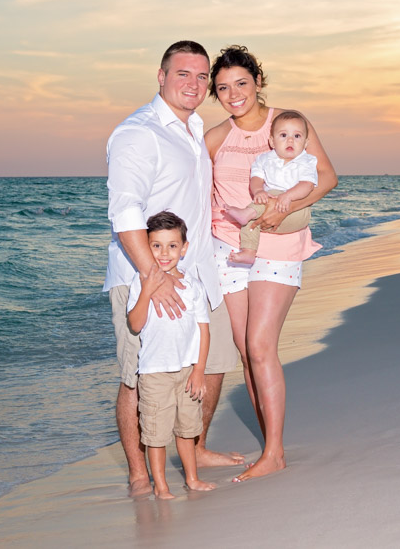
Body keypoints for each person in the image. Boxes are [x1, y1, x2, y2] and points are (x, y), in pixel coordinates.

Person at [105, 41, 243, 496]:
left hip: (200, 273)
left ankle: (195, 447)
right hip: (147, 277)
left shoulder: (194, 129)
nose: (194, 83)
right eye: (183, 73)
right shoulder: (137, 133)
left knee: (213, 363)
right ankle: (139, 471)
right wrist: (153, 276)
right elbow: (125, 213)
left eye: (202, 77)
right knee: (140, 376)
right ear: (161, 76)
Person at [204, 45, 338, 482]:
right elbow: (201, 195)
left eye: (241, 83)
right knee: (247, 352)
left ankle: (275, 452)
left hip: (279, 248)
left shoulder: (289, 125)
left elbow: (327, 177)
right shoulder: (216, 138)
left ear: (258, 82)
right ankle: (269, 442)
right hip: (228, 250)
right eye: (222, 88)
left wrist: (283, 210)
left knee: (261, 347)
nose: (233, 94)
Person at [127, 211, 218, 499]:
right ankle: (161, 486)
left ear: (184, 248)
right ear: (146, 246)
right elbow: (135, 323)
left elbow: (204, 331)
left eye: (172, 246)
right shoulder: (139, 282)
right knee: (155, 435)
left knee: (187, 430)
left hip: (188, 371)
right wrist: (148, 291)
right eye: (156, 246)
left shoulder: (194, 286)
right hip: (155, 372)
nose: (164, 253)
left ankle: (192, 478)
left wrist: (200, 370)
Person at [223, 110, 318, 265]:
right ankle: (248, 251)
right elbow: (256, 178)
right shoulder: (265, 159)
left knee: (266, 200)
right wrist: (258, 190)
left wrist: (288, 196)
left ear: (305, 143)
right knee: (250, 222)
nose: (290, 140)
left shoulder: (306, 161)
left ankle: (248, 212)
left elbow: (307, 185)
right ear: (272, 142)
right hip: (270, 206)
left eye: (297, 136)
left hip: (297, 212)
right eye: (283, 135)